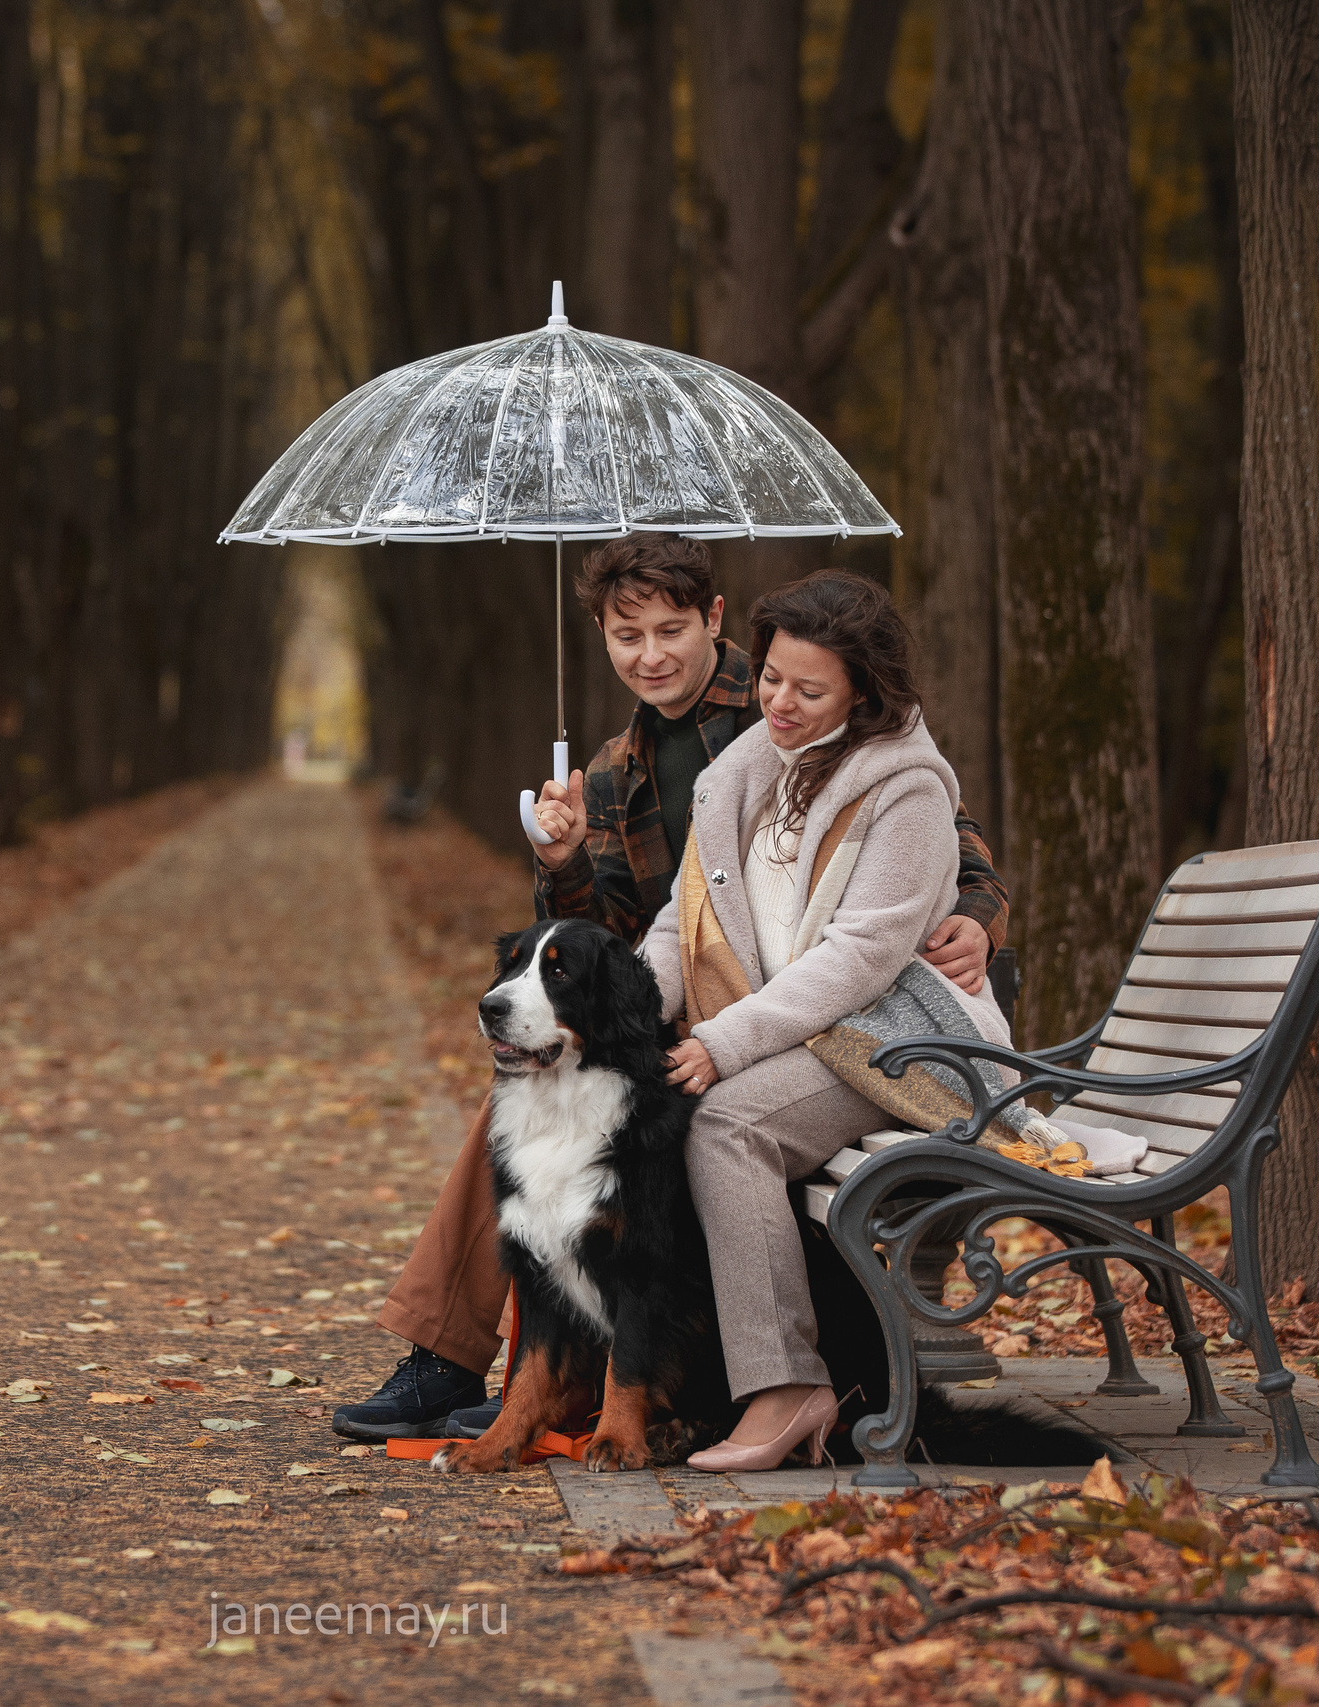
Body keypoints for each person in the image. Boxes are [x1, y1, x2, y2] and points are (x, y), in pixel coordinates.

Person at [332, 537, 1010, 1443]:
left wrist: (979, 914)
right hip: (680, 998)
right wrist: (563, 860)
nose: (650, 653)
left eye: (670, 629)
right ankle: (464, 1357)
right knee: (532, 1090)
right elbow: (607, 938)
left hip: (796, 1014)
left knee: (585, 1116)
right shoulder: (617, 769)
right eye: (626, 634)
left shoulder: (786, 704)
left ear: (715, 620)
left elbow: (941, 848)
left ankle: (526, 1370)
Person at [643, 568, 1006, 1469]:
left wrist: (723, 1041)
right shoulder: (746, 774)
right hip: (812, 1041)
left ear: (864, 692)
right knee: (656, 1112)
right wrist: (615, 1009)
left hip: (900, 1042)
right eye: (770, 678)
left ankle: (787, 1385)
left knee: (726, 1125)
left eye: (809, 690)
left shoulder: (908, 793)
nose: (780, 702)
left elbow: (860, 962)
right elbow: (680, 920)